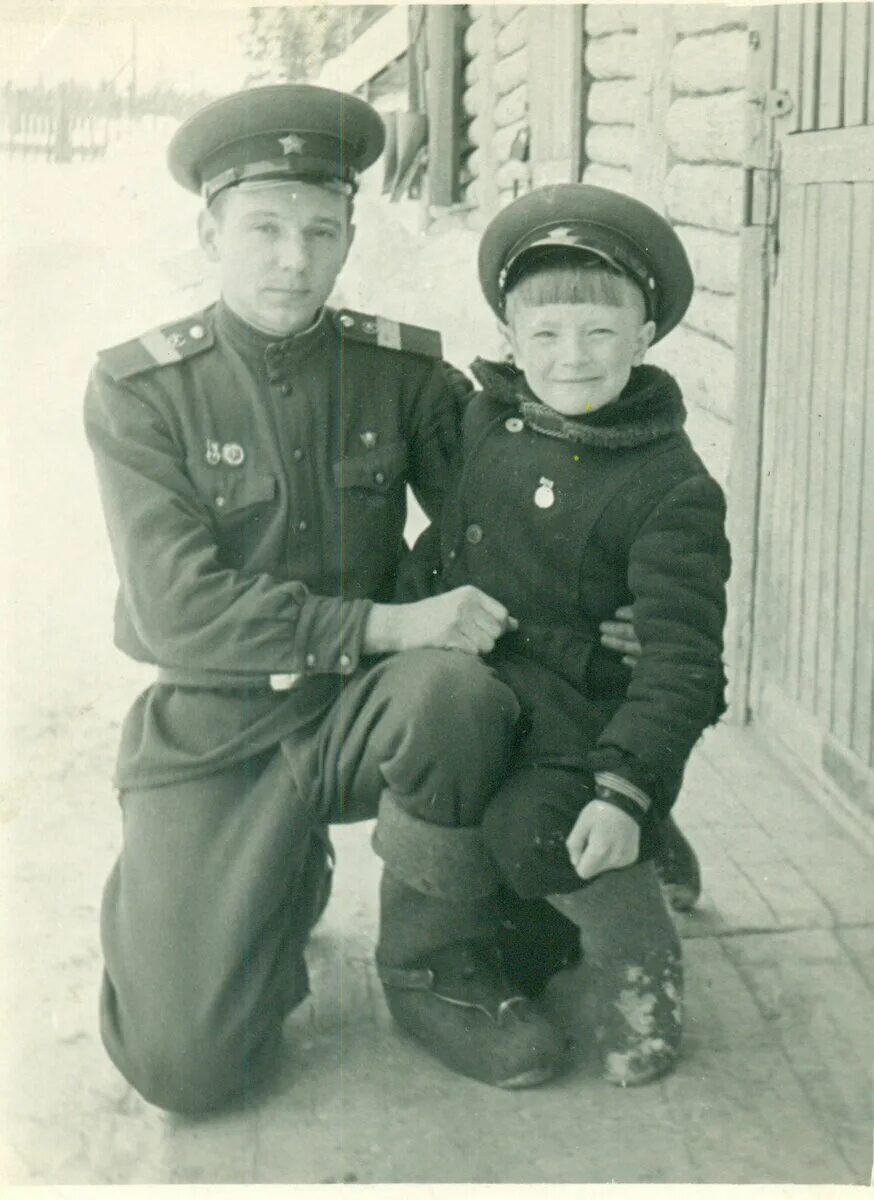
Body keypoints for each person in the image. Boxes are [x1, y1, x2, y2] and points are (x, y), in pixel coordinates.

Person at [84, 84, 655, 1112]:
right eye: (262, 229)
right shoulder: (143, 392)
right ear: (209, 231)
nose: (292, 259)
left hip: (372, 714)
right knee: (185, 1069)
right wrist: (394, 621)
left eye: (319, 230)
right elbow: (177, 609)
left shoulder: (402, 375)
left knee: (458, 693)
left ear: (350, 235)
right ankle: (265, 884)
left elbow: (523, 521)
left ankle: (433, 965)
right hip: (213, 729)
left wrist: (619, 597)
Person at [383, 184, 731, 1087]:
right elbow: (450, 535)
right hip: (498, 681)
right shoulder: (487, 417)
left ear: (644, 336)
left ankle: (641, 960)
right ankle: (632, 852)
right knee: (464, 788)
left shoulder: (671, 485)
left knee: (535, 829)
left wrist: (622, 789)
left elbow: (685, 665)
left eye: (600, 333)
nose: (570, 359)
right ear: (508, 340)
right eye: (544, 335)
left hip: (590, 709)